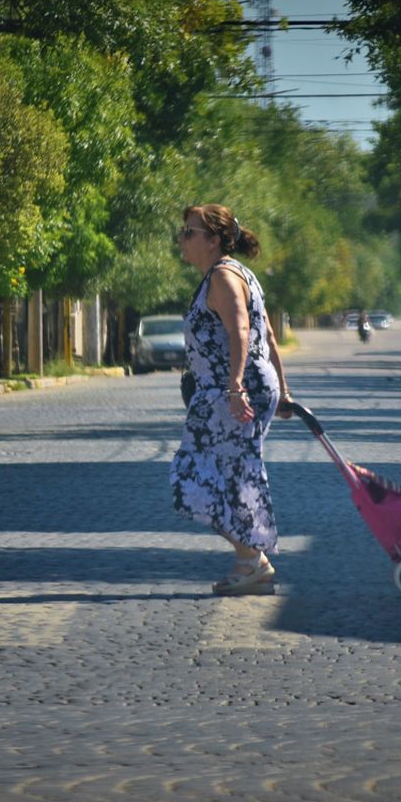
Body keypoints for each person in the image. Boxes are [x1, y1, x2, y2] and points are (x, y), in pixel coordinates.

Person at [170, 203, 293, 595]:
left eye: (190, 232)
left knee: (194, 476)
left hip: (231, 390)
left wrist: (236, 386)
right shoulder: (239, 274)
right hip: (240, 387)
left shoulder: (223, 276)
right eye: (183, 231)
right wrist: (283, 391)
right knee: (231, 475)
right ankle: (250, 562)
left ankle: (252, 561)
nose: (182, 239)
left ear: (214, 241)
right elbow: (269, 337)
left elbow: (242, 331)